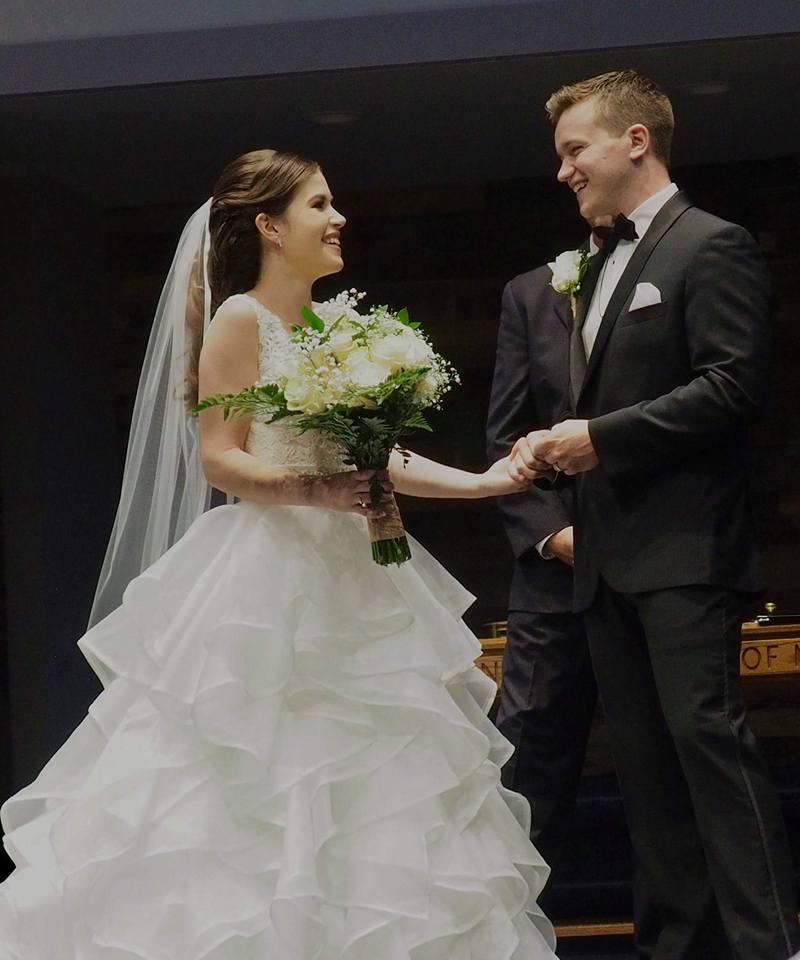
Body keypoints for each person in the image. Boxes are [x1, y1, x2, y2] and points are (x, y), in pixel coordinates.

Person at [0, 148, 559, 959]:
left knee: (382, 784)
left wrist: (483, 483)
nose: (338, 220)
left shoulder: (341, 327)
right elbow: (220, 457)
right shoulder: (239, 320)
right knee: (259, 776)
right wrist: (319, 493)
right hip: (269, 578)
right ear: (269, 225)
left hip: (360, 580)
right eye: (319, 205)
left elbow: (380, 456)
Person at [511, 70, 800, 959]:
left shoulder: (708, 245)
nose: (564, 171)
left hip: (684, 551)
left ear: (636, 141)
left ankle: (773, 944)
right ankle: (676, 946)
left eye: (575, 150)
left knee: (709, 748)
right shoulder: (600, 262)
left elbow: (732, 386)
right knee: (646, 774)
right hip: (608, 561)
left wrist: (600, 436)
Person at [486, 257, 596, 908]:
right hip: (553, 571)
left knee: (668, 756)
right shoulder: (532, 293)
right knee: (528, 752)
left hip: (651, 558)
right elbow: (506, 434)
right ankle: (505, 929)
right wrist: (553, 536)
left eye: (577, 148)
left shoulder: (683, 272)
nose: (567, 171)